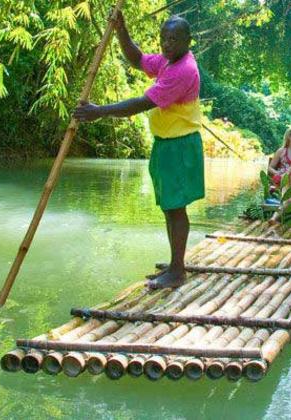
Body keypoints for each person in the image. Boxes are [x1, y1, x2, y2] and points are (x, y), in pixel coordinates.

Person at [74, 12, 203, 289]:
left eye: (173, 39)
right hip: (167, 143)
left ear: (187, 41)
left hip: (179, 145)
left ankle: (177, 271)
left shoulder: (183, 70)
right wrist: (121, 30)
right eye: (164, 38)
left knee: (175, 208)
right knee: (169, 207)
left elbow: (142, 103)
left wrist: (99, 112)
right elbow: (138, 60)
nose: (167, 44)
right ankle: (175, 265)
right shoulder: (168, 60)